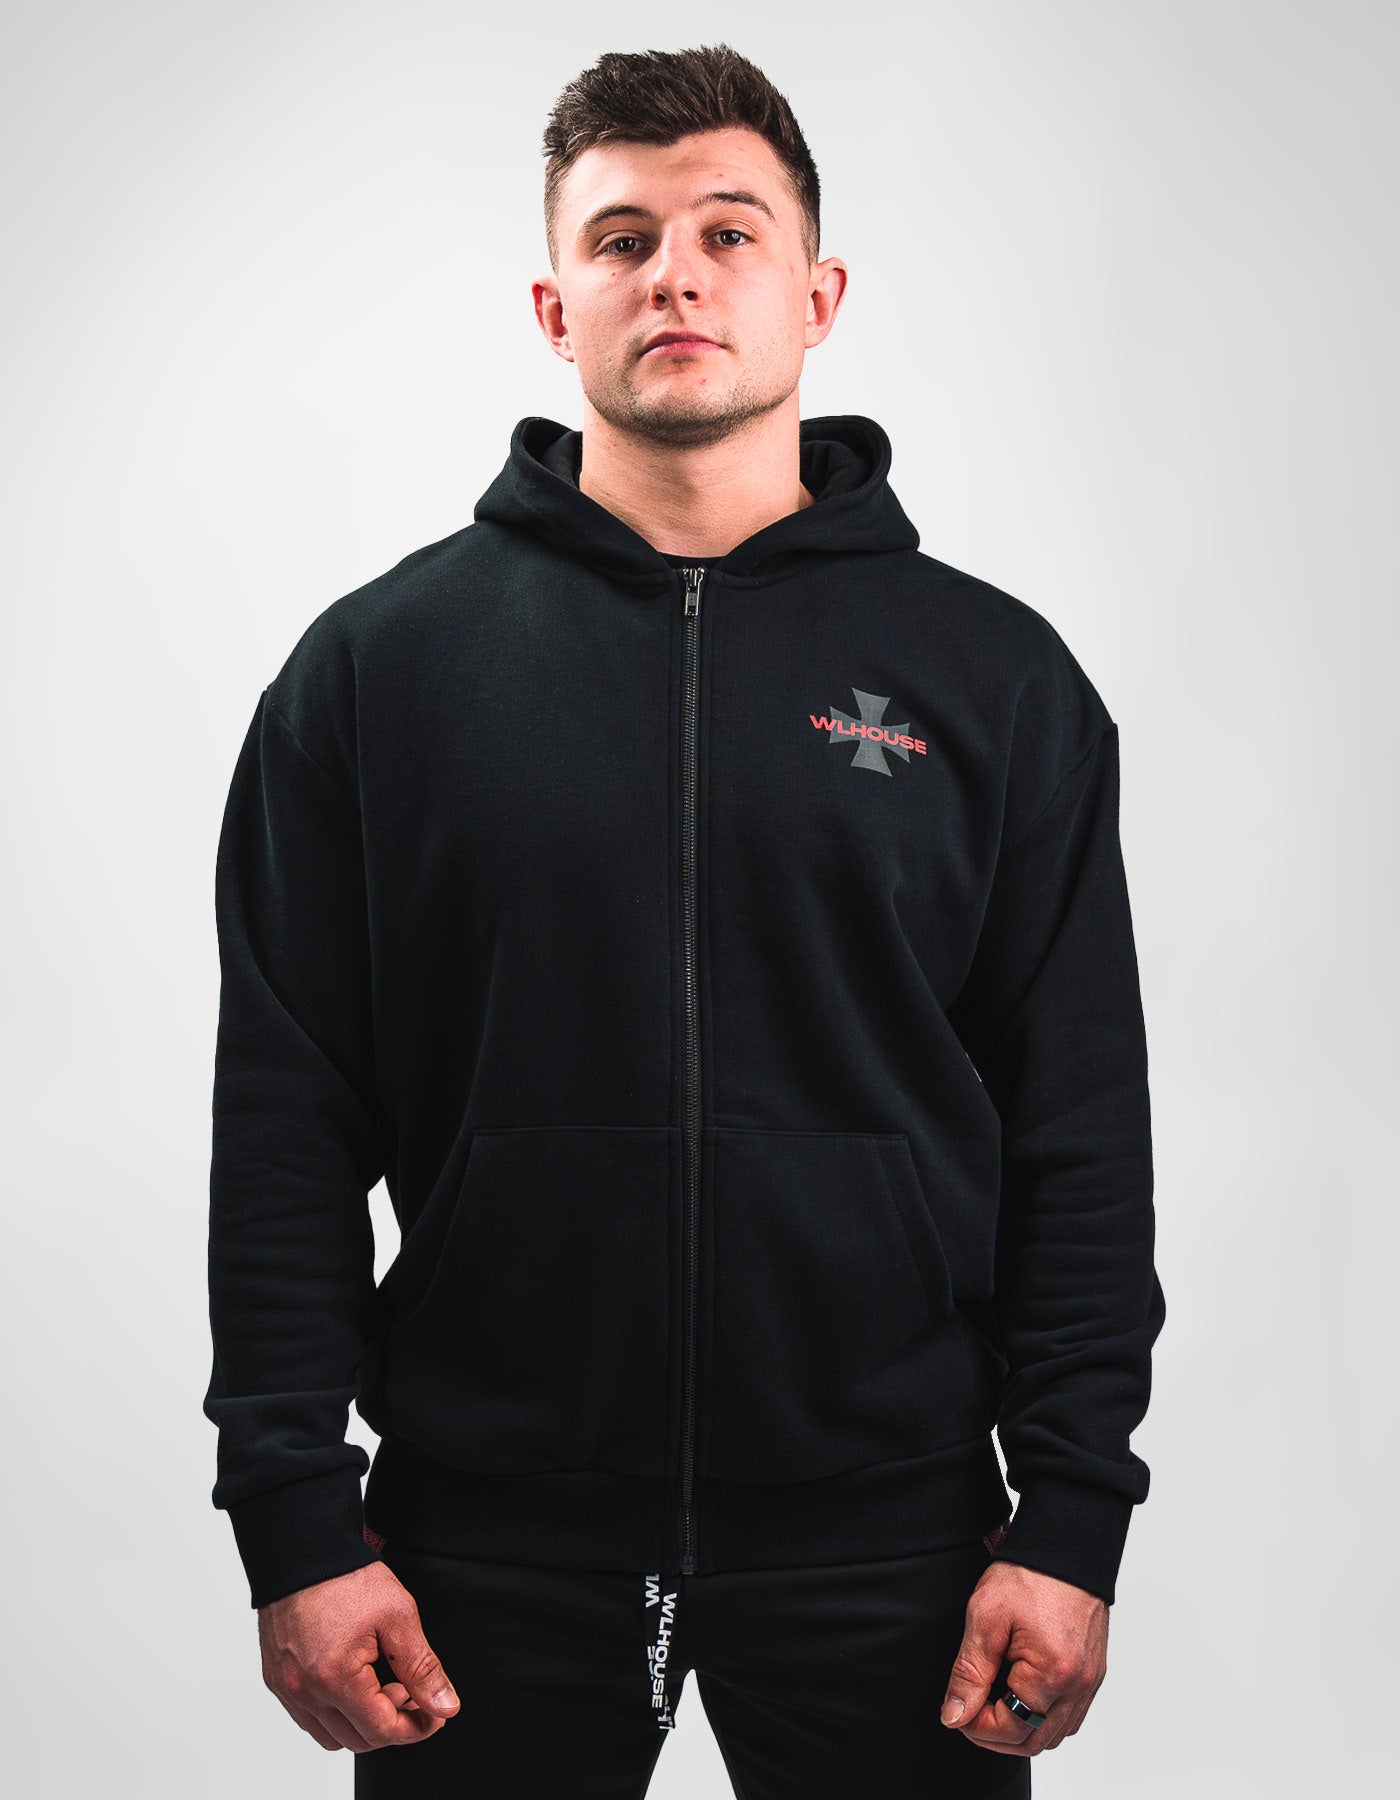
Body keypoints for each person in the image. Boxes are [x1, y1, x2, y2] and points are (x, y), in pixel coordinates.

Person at [204, 41, 1166, 1799]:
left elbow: (1079, 1124)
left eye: (729, 232)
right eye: (623, 238)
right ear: (554, 307)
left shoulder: (996, 682)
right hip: (483, 1545)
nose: (676, 276)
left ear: (818, 295)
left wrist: (1075, 1515)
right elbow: (285, 1118)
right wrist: (293, 1519)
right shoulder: (376, 676)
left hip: (898, 1540)